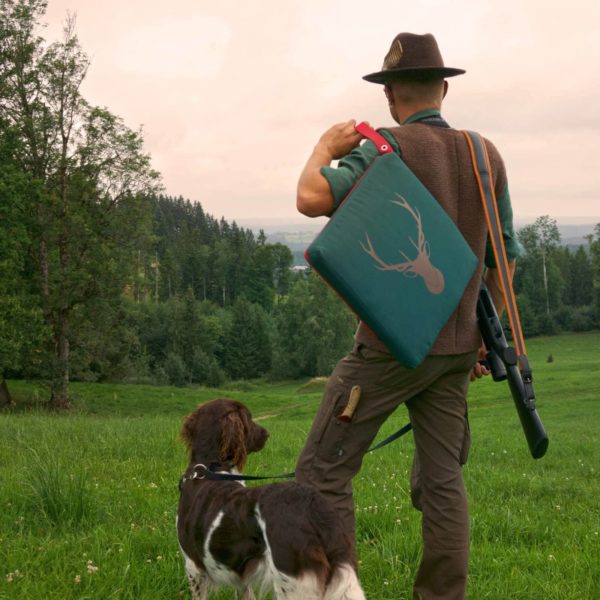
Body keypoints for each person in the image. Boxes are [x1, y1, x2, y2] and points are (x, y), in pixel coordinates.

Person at [294, 32, 521, 600]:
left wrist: (324, 145)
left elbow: (310, 198)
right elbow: (504, 258)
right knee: (444, 483)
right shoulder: (484, 153)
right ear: (444, 89)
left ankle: (333, 591)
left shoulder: (383, 147)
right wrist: (485, 342)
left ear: (391, 95)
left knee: (322, 474)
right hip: (456, 355)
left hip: (389, 348)